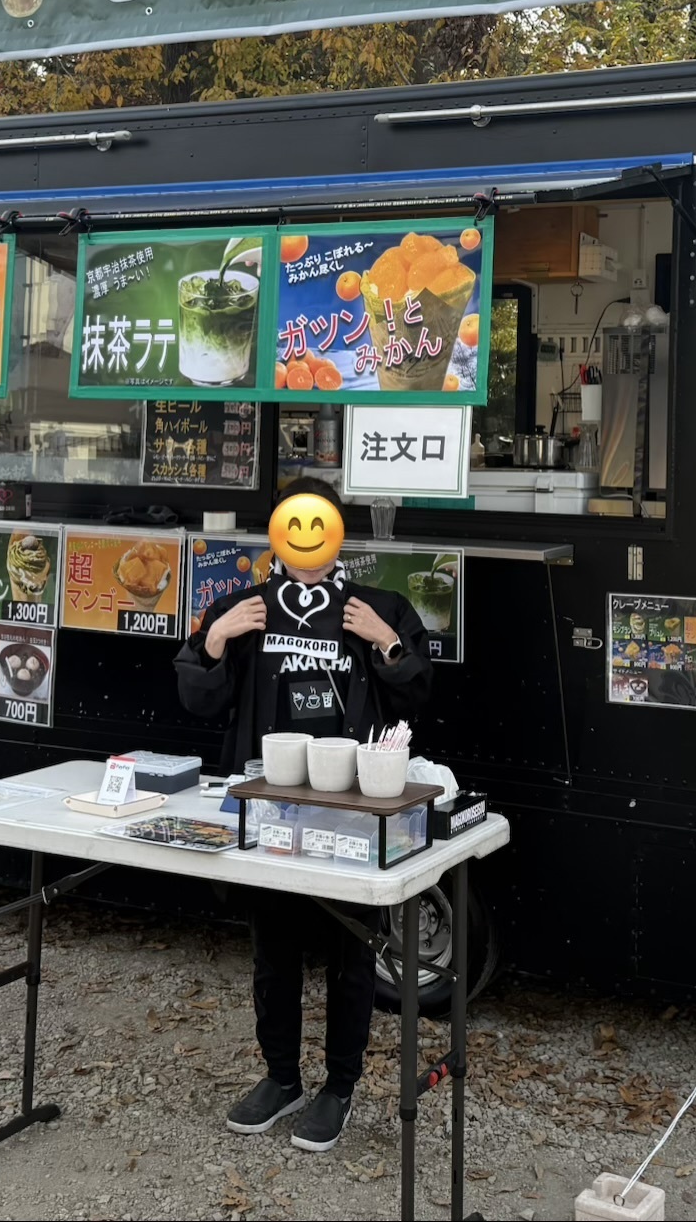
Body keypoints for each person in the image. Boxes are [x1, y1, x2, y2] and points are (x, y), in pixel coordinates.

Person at [173, 477, 433, 1153]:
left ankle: (339, 1086)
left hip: (353, 811)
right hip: (269, 808)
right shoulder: (243, 608)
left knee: (352, 950)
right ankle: (281, 1077)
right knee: (274, 947)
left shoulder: (379, 608)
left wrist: (387, 643)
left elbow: (419, 697)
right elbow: (199, 701)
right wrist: (215, 638)